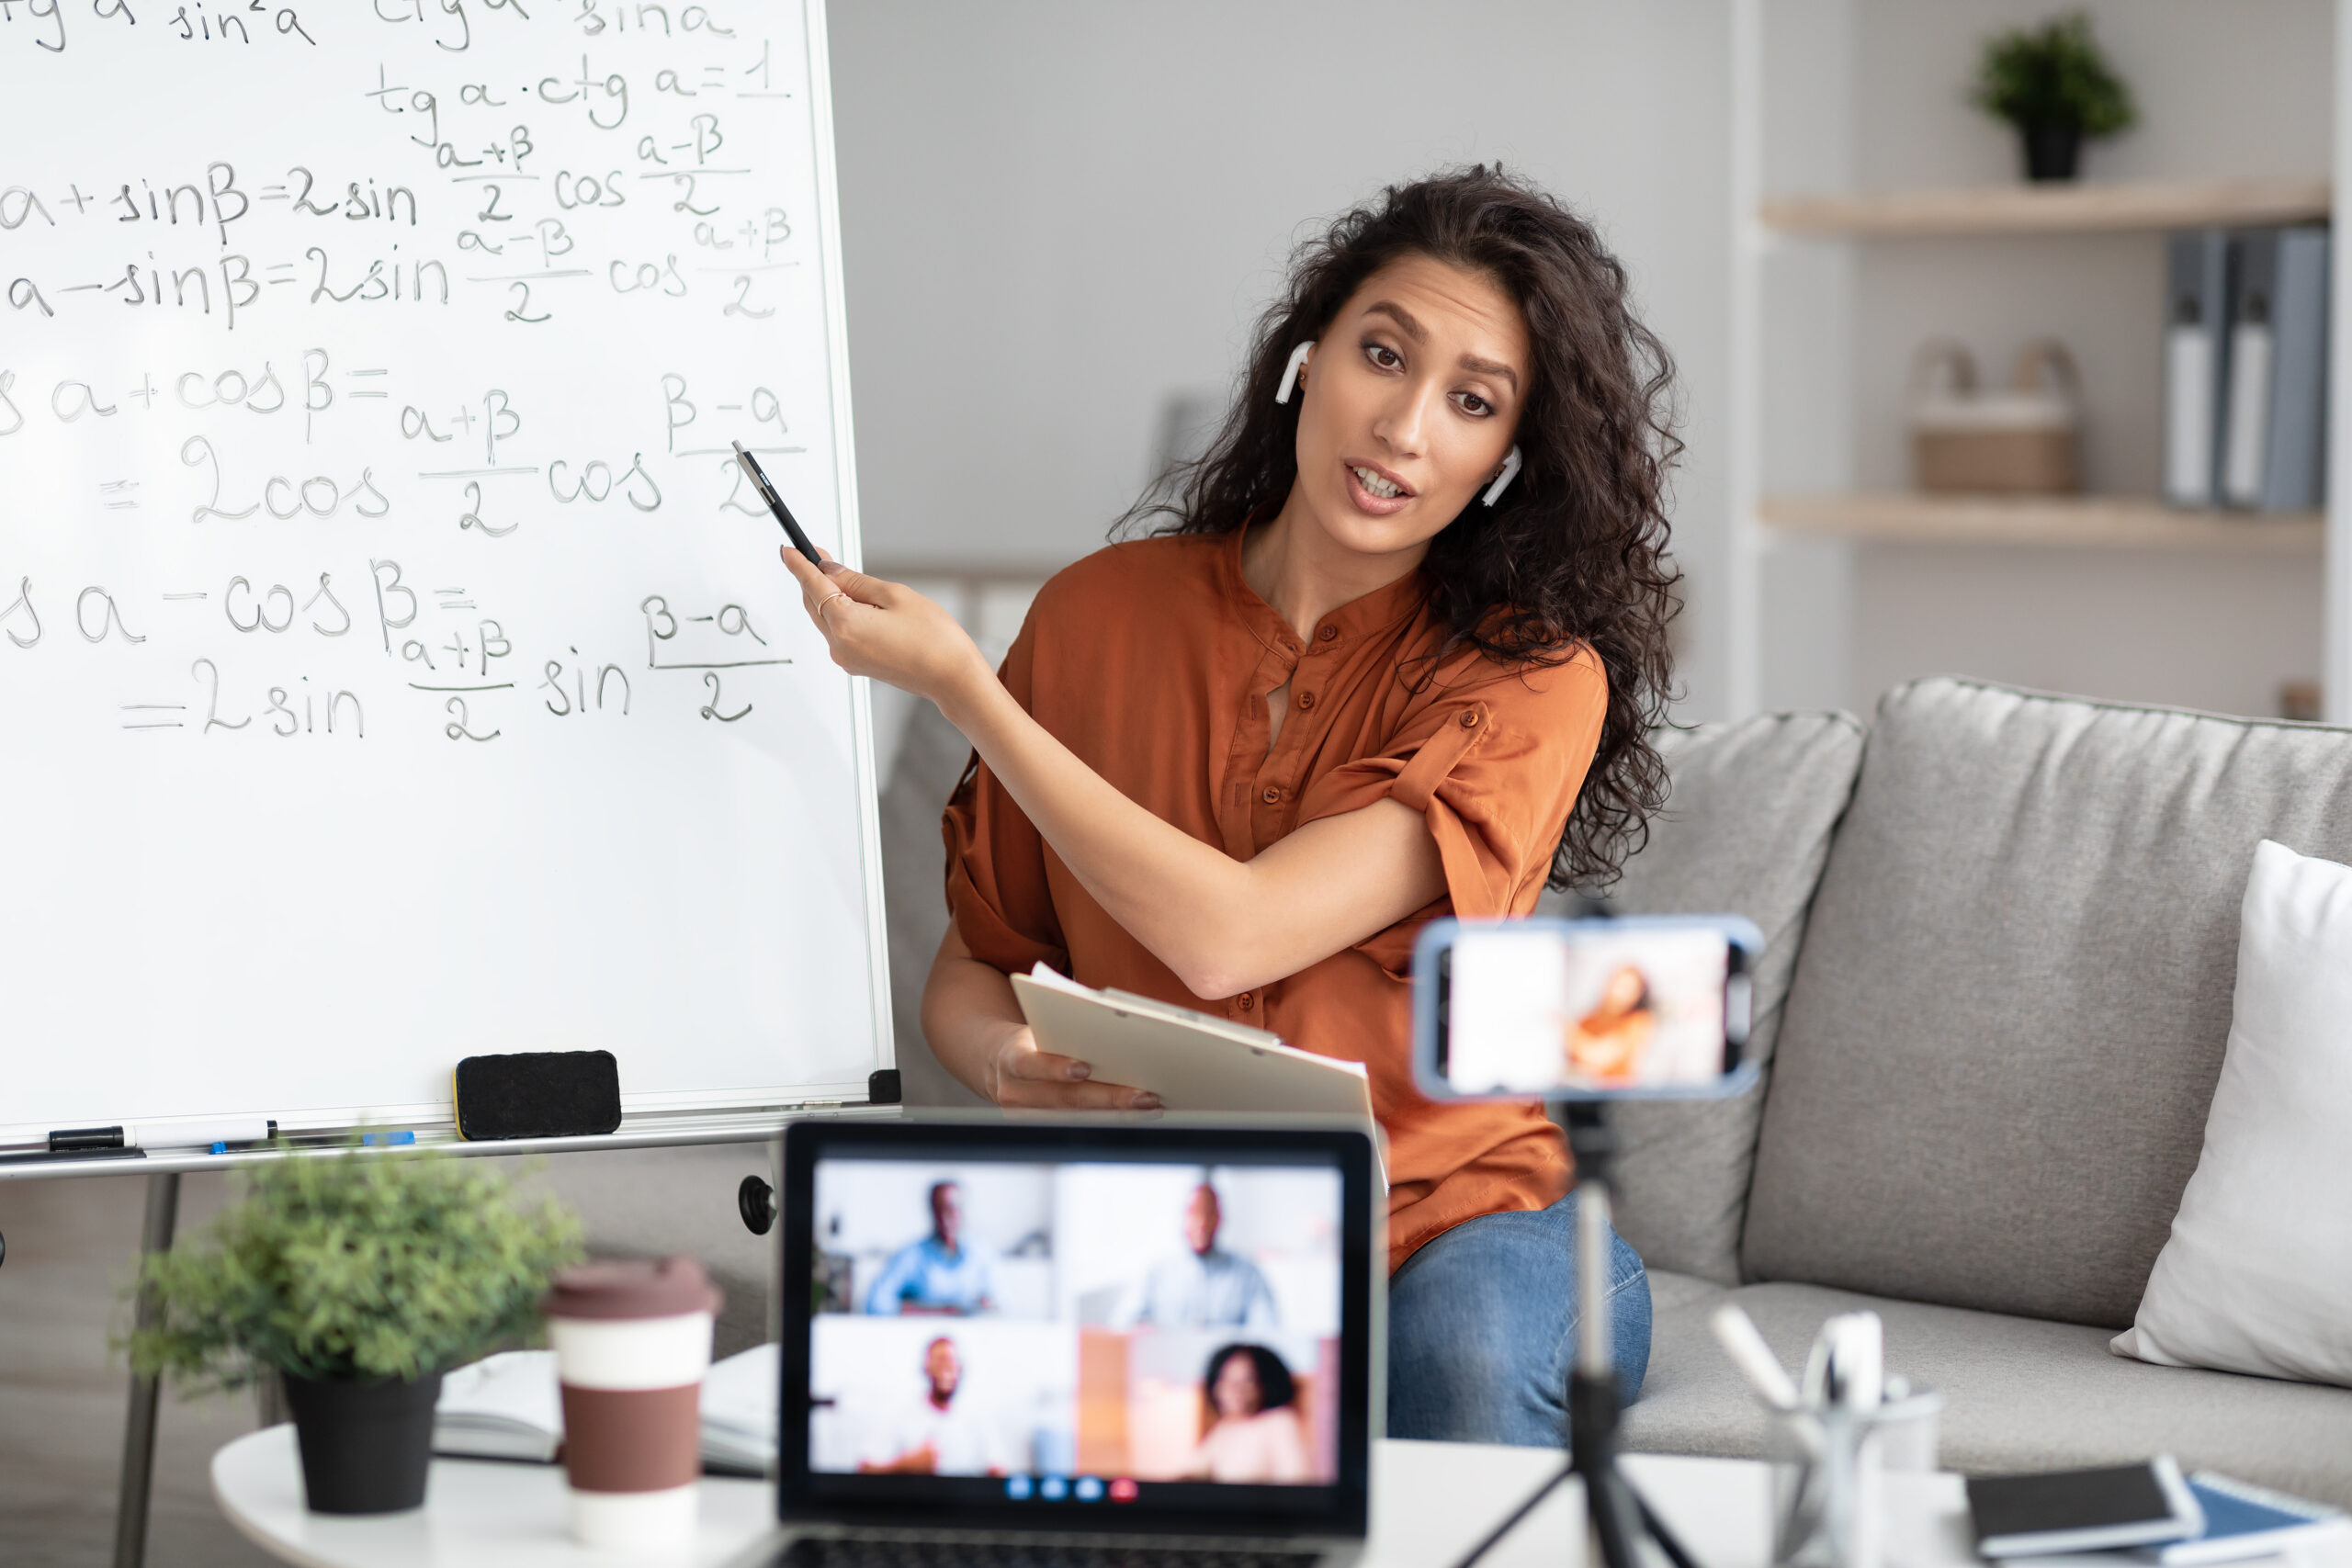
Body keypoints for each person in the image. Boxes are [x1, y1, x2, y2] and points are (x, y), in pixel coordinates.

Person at [781, 166, 1669, 1445]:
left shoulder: (1535, 677)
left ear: (1506, 458)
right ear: (1307, 359)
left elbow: (1232, 933)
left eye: (1471, 402)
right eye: (1383, 354)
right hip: (1172, 1222)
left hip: (1459, 1223)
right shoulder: (1096, 613)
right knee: (917, 1370)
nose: (1405, 427)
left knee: (1461, 1355)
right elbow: (977, 967)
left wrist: (966, 692)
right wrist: (1005, 1064)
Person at [1116, 1180, 1279, 1330]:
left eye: (1209, 1214)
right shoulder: (1157, 1271)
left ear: (1220, 1219)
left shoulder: (1248, 1274)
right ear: (1184, 1217)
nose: (1202, 1223)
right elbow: (1123, 1323)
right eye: (1194, 1213)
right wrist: (1144, 1329)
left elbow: (1267, 1331)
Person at [857, 1336, 1004, 1476]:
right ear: (926, 1368)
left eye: (951, 1362)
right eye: (940, 1361)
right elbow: (865, 1468)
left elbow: (997, 1469)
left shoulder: (977, 1419)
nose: (946, 1368)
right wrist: (906, 1465)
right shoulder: (899, 1413)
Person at [864, 1180, 994, 1315]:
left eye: (953, 1208)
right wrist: (937, 1312)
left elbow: (1002, 1306)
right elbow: (876, 1304)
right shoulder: (911, 1255)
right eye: (941, 1208)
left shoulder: (981, 1254)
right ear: (932, 1211)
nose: (947, 1216)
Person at [1188, 1344, 1311, 1483]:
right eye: (1226, 1379)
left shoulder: (1279, 1422)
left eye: (1248, 1380)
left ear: (1266, 1384)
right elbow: (1196, 1471)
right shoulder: (1225, 1427)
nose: (1235, 1389)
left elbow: (1298, 1483)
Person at [1566, 964, 1656, 1083]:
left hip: (1618, 1096)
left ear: (1637, 995)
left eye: (1628, 988)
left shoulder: (1637, 1022)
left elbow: (1601, 1058)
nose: (1617, 992)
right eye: (1617, 983)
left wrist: (1566, 1031)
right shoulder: (1587, 1020)